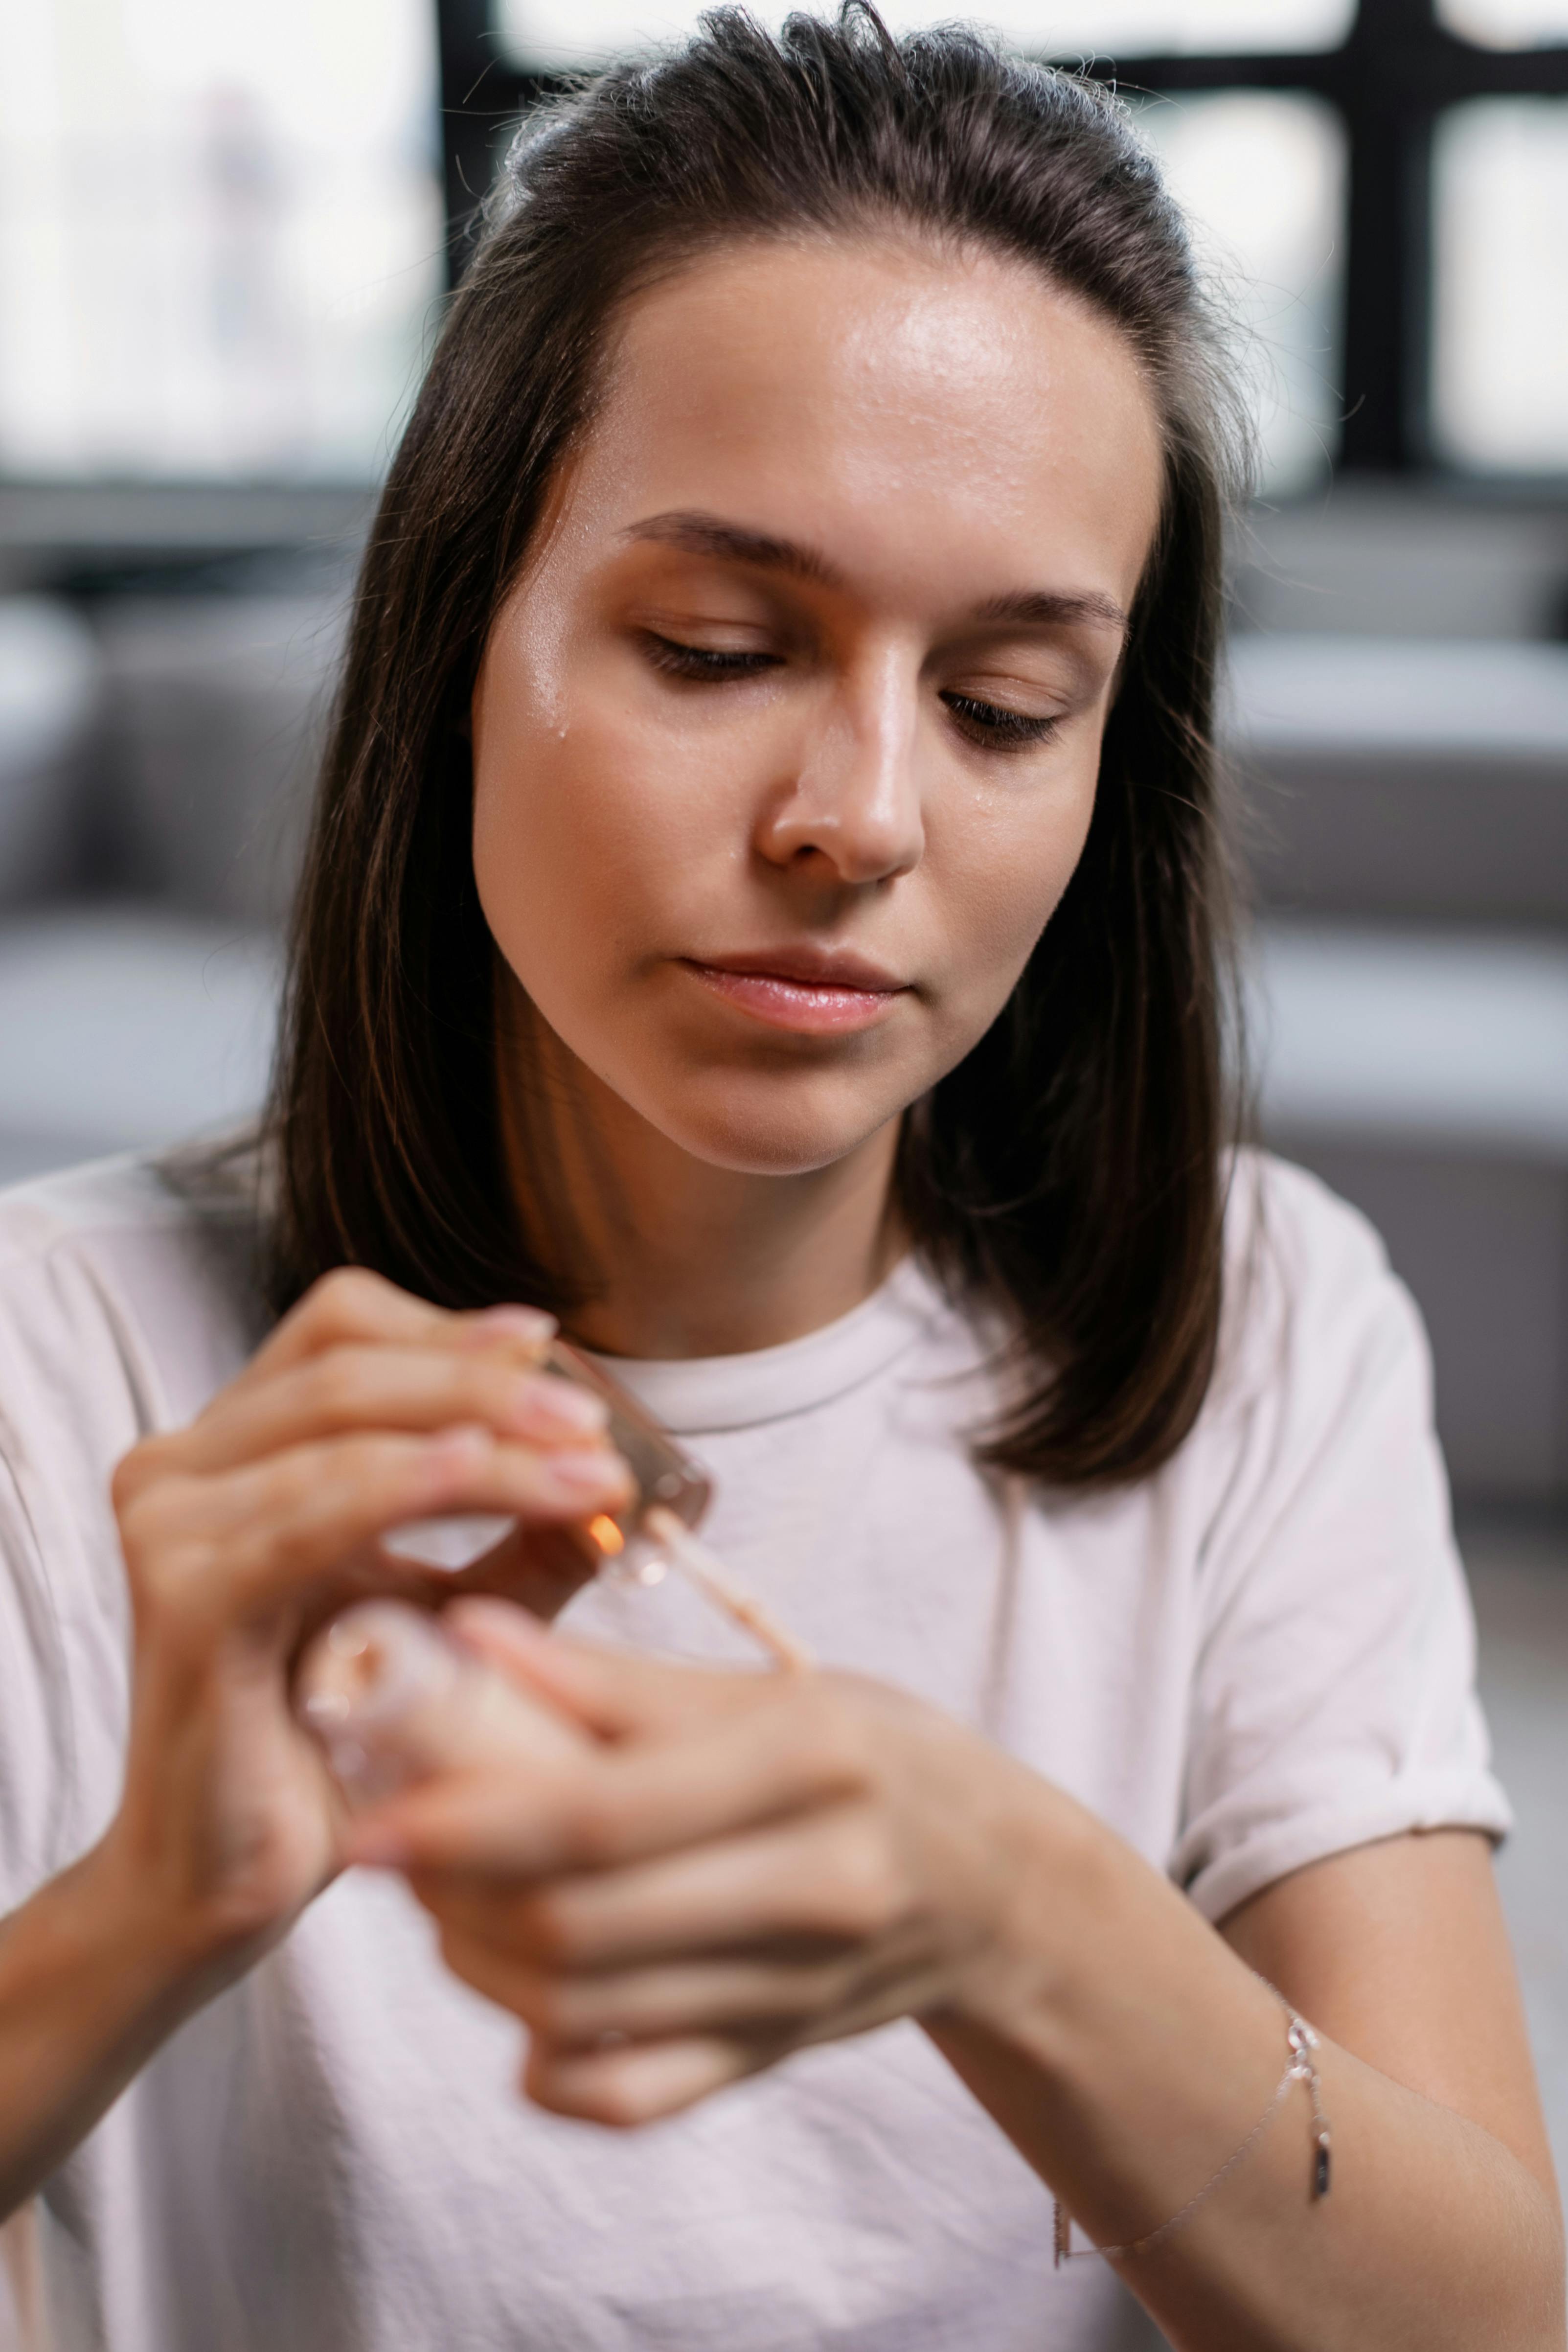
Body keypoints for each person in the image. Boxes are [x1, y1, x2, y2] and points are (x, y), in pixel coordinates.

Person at [0, 11, 1560, 2349]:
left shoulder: (1263, 1320)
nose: (865, 814)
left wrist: (1014, 1908)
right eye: (718, 646)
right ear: (457, 649)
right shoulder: (63, 1356)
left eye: (1007, 703)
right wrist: (154, 1898)